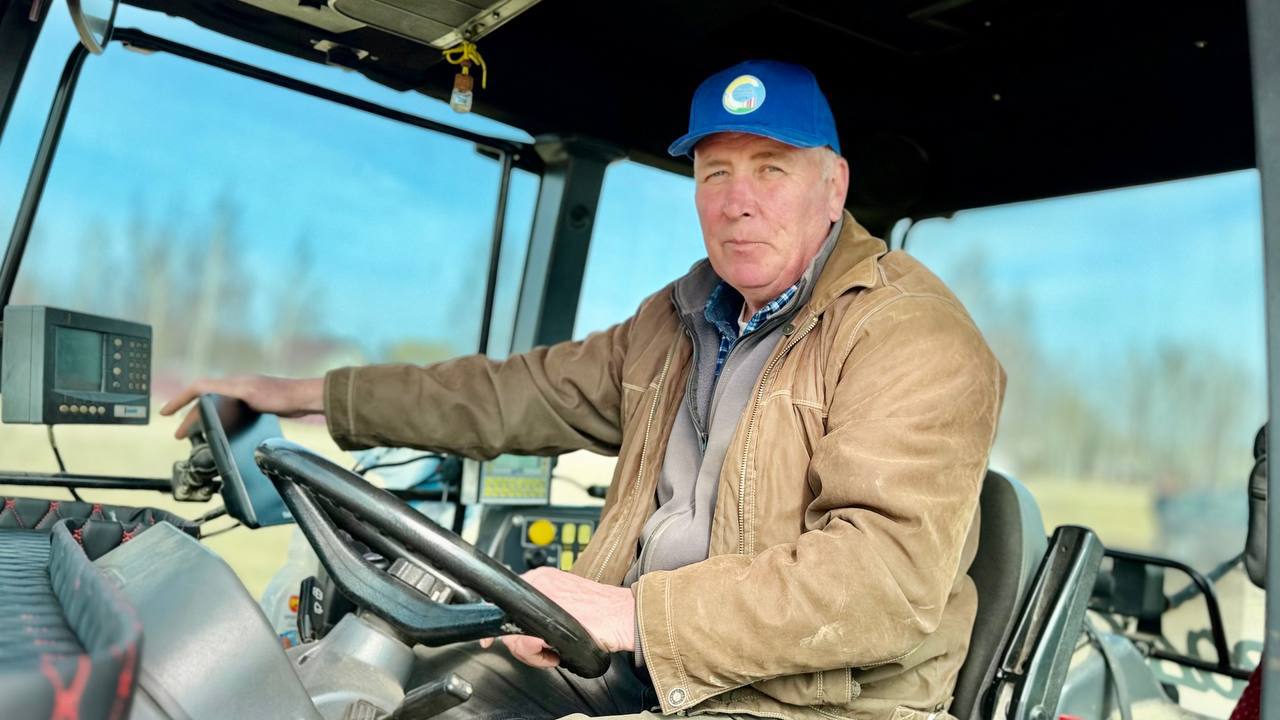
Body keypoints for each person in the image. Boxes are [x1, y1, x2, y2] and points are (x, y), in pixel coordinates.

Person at [162, 60, 1005, 720]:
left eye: (771, 169)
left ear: (835, 186)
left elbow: (882, 579)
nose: (737, 204)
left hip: (810, 703)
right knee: (416, 694)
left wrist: (634, 614)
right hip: (641, 668)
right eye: (714, 174)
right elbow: (505, 395)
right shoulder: (676, 320)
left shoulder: (911, 334)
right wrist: (295, 394)